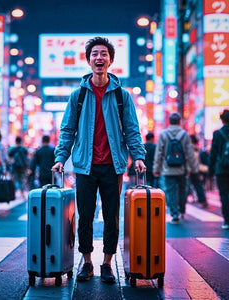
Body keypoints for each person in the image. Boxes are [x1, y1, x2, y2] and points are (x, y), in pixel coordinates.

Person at [51, 36, 146, 284]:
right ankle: (87, 262)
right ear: (89, 60)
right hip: (84, 165)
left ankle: (106, 263)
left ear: (110, 60)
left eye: (104, 54)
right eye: (95, 54)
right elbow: (67, 129)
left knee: (112, 216)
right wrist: (61, 157)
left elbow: (132, 128)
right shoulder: (78, 95)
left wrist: (137, 156)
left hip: (113, 164)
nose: (99, 58)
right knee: (85, 215)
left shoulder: (121, 95)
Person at [153, 113, 197, 224]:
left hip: (167, 169)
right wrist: (194, 168)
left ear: (169, 122)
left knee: (171, 192)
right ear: (179, 122)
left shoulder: (163, 134)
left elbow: (159, 153)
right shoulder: (184, 135)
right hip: (182, 169)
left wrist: (156, 168)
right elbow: (189, 153)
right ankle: (182, 209)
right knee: (183, 190)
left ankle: (174, 214)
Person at [189, 135, 208, 208]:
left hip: (189, 169)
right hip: (196, 170)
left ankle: (181, 205)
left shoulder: (188, 148)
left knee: (185, 187)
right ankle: (203, 200)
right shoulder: (197, 149)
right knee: (198, 186)